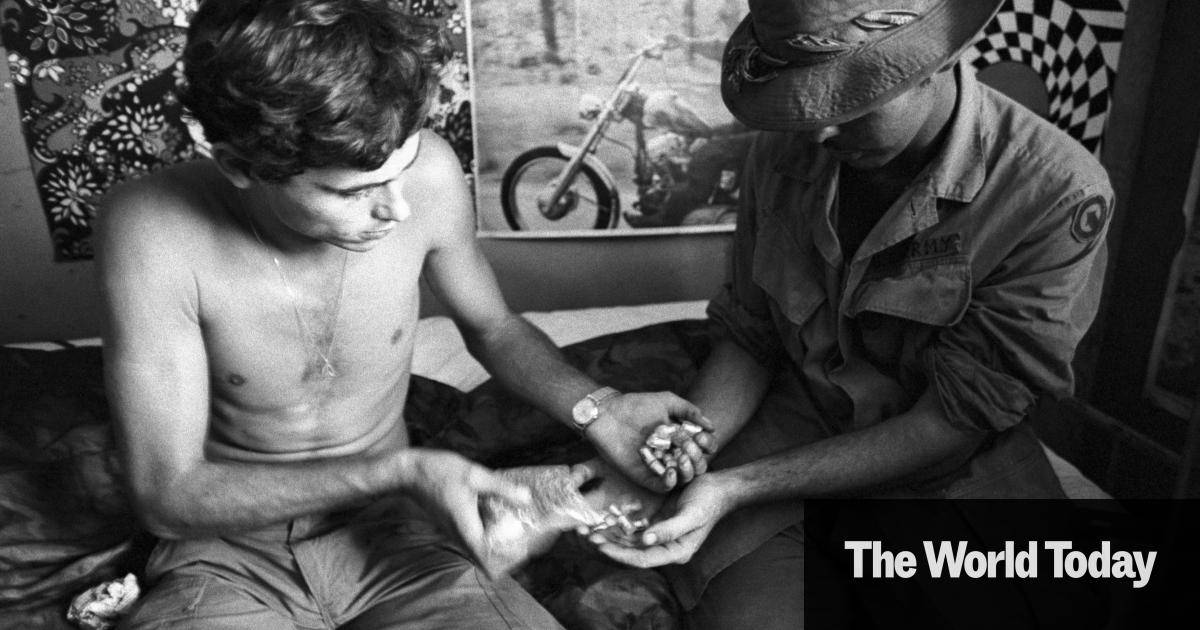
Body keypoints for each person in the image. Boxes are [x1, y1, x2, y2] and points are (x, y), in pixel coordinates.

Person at [95, 1, 710, 627]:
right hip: (227, 555)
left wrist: (601, 409)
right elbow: (167, 495)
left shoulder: (430, 173)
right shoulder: (150, 228)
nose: (399, 210)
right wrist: (403, 471)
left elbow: (493, 327)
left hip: (397, 536)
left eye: (403, 168)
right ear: (238, 165)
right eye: (355, 191)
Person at [594, 0, 1115, 628]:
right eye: (802, 102)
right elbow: (752, 335)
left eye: (848, 102)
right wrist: (687, 454)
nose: (817, 132)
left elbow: (953, 423)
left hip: (947, 472)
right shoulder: (783, 148)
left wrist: (738, 486)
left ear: (937, 61)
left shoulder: (1056, 194)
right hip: (788, 431)